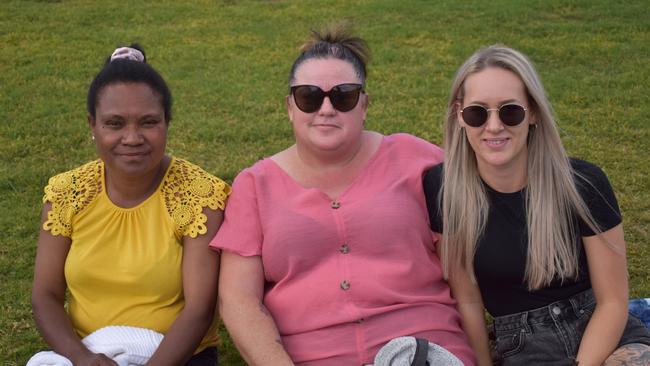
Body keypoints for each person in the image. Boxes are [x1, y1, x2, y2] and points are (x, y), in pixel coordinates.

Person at [210, 23, 475, 366]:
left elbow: (464, 274)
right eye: (309, 96)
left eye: (343, 95)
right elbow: (238, 299)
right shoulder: (255, 185)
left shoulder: (418, 159)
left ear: (364, 104)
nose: (326, 109)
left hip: (420, 347)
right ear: (290, 106)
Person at [424, 45, 650, 365]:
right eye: (477, 112)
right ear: (459, 115)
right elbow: (469, 300)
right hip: (523, 348)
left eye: (509, 111)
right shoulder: (443, 189)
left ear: (531, 112)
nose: (493, 126)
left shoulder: (583, 184)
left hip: (602, 334)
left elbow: (612, 301)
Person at [31, 44, 230, 366]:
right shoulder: (67, 192)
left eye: (148, 122)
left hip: (177, 355)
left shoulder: (200, 195)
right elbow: (45, 295)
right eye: (114, 123)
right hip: (91, 353)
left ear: (168, 122)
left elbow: (199, 309)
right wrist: (82, 357)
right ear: (92, 125)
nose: (133, 138)